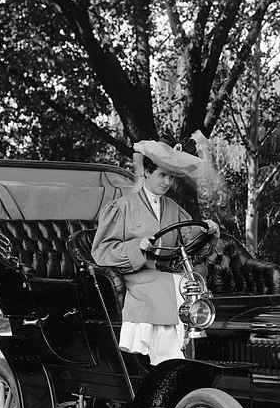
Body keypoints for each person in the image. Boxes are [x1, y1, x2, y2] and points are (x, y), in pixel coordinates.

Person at [91, 133, 219, 365]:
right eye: (162, 175)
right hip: (137, 276)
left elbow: (190, 238)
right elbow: (102, 251)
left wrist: (207, 230)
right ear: (147, 172)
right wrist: (136, 246)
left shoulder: (173, 208)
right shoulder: (122, 207)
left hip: (166, 273)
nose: (167, 182)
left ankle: (191, 356)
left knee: (189, 285)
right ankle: (165, 361)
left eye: (171, 178)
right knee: (168, 287)